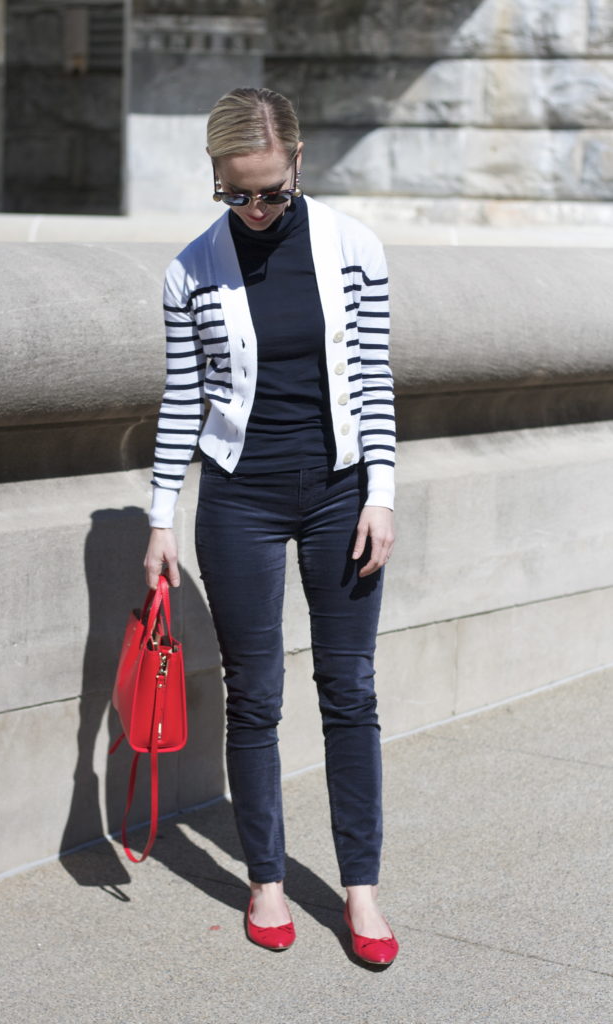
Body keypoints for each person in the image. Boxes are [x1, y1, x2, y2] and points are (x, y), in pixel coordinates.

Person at [144, 87, 398, 965]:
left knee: (349, 690)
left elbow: (372, 378)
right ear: (214, 178)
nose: (254, 212)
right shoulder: (189, 269)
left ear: (298, 163)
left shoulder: (354, 249)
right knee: (255, 697)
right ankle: (266, 880)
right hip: (239, 499)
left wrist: (383, 492)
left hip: (340, 495)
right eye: (234, 194)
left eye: (269, 193)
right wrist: (159, 519)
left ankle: (359, 891)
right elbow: (182, 398)